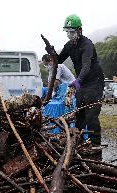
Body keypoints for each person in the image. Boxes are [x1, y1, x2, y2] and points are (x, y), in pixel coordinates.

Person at [48, 14, 104, 145]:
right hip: (82, 82)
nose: (69, 34)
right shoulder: (69, 45)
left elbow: (86, 65)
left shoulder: (87, 44)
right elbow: (59, 60)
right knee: (79, 114)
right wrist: (52, 53)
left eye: (72, 32)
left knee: (91, 116)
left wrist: (78, 79)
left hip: (94, 82)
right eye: (67, 32)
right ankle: (78, 142)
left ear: (80, 30)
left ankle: (96, 145)